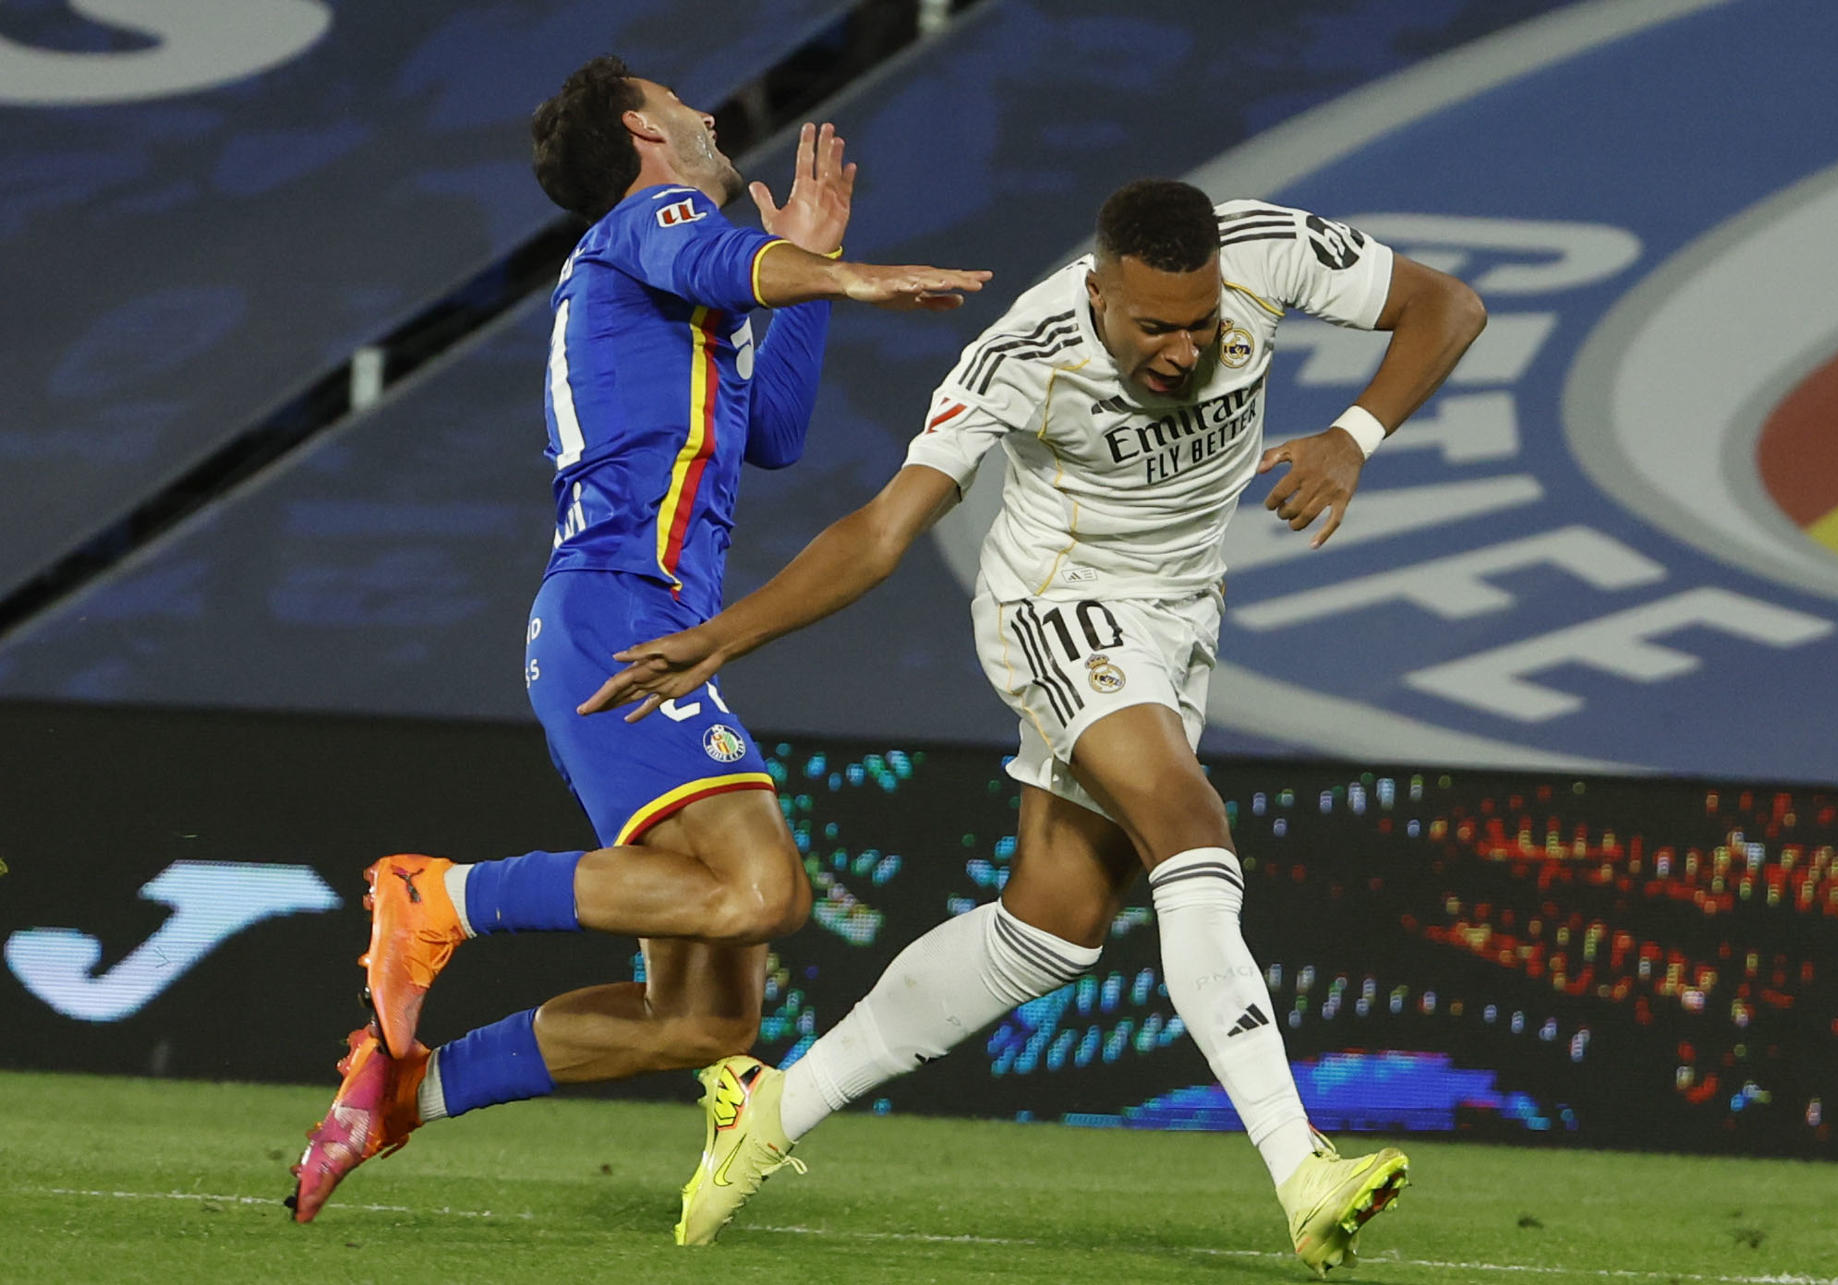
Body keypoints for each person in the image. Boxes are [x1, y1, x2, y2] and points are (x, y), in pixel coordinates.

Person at [580, 177, 1486, 1272]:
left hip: (1180, 614)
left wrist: (1353, 434)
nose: (1184, 351)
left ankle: (772, 1108)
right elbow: (882, 530)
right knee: (1186, 819)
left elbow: (1449, 305)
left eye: (1201, 324)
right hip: (1059, 606)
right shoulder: (1022, 355)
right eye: (1154, 328)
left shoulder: (1264, 246)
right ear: (1100, 292)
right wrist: (727, 636)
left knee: (1053, 926)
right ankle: (1303, 1168)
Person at [289, 55, 990, 1223]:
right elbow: (722, 259)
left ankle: (409, 1090)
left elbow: (772, 430)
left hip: (629, 617)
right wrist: (844, 274)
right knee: (763, 891)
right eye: (677, 102)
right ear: (640, 130)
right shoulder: (648, 223)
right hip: (622, 609)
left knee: (706, 1018)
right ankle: (441, 894)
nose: (706, 113)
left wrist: (808, 274)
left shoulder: (668, 275)